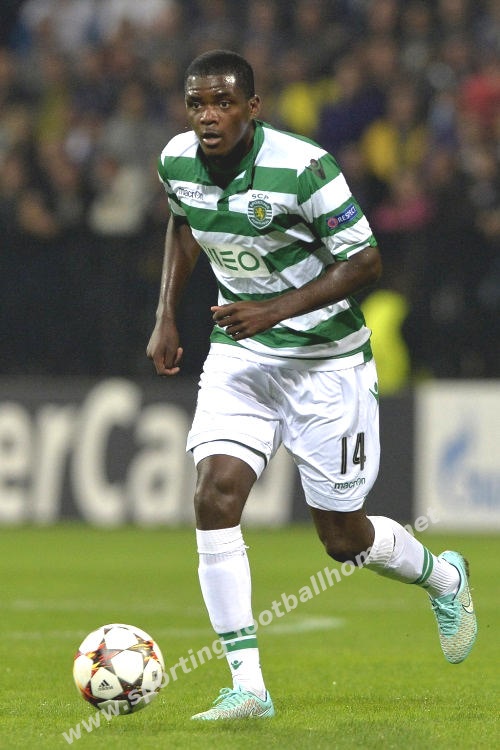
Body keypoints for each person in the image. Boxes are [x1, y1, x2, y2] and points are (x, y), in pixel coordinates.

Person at [147, 50, 477, 720]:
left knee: (343, 539)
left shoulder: (304, 166)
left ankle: (444, 577)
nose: (208, 116)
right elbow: (184, 223)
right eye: (197, 103)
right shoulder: (176, 160)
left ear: (252, 108)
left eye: (222, 103)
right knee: (214, 495)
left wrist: (275, 309)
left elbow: (366, 261)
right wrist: (165, 316)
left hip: (326, 364)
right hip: (241, 358)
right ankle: (248, 687)